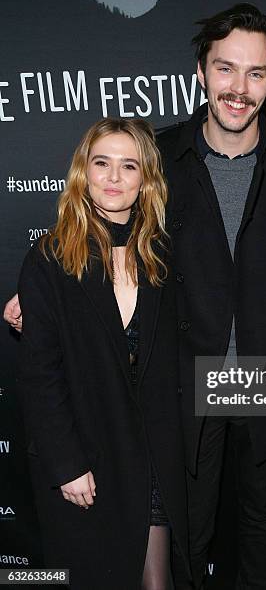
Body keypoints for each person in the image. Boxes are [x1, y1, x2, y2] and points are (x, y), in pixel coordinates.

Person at [4, 4, 266, 590]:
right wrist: (42, 294)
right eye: (226, 69)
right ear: (201, 73)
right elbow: (107, 236)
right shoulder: (158, 157)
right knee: (185, 528)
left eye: (255, 73)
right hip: (181, 379)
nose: (239, 87)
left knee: (259, 528)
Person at [16, 118, 188, 590]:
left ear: (146, 179)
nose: (114, 178)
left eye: (128, 166)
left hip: (151, 455)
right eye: (102, 163)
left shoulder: (162, 257)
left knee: (157, 582)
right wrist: (66, 462)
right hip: (85, 454)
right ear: (83, 173)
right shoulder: (50, 259)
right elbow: (39, 375)